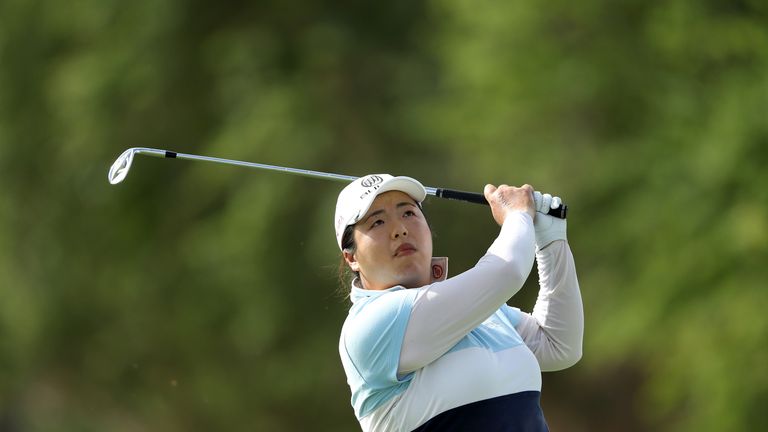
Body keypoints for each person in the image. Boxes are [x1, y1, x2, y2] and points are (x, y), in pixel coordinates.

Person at [334, 173, 583, 432]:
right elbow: (507, 271)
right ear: (351, 257)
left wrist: (550, 240)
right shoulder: (369, 325)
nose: (400, 229)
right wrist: (517, 215)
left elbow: (558, 345)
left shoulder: (484, 314)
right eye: (378, 222)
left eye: (408, 213)